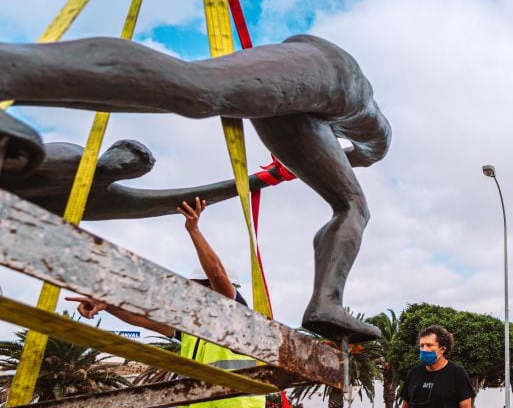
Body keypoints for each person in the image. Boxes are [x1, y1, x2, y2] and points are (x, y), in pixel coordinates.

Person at [0, 34, 391, 342]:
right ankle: (9, 68)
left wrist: (276, 174)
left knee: (201, 93)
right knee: (200, 90)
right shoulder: (373, 128)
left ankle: (325, 304)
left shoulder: (346, 130)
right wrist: (289, 171)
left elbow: (336, 156)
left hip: (312, 107)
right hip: (330, 74)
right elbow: (358, 154)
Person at [68, 197, 269, 408]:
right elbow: (142, 318)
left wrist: (193, 230)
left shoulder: (237, 315)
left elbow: (218, 275)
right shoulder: (193, 327)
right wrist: (108, 304)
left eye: (195, 288)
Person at [386, 325, 474, 408]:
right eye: (421, 346)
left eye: (429, 345)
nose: (424, 349)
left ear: (442, 349)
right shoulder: (414, 373)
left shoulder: (457, 373)